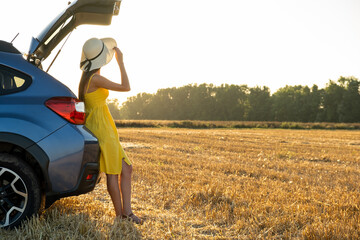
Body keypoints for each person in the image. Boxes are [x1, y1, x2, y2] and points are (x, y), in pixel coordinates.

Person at [78, 37, 142, 224]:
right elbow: (126, 87)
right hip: (103, 131)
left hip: (105, 128)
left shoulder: (87, 77)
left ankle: (126, 213)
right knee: (113, 173)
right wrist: (121, 62)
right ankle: (121, 215)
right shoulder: (95, 78)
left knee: (126, 169)